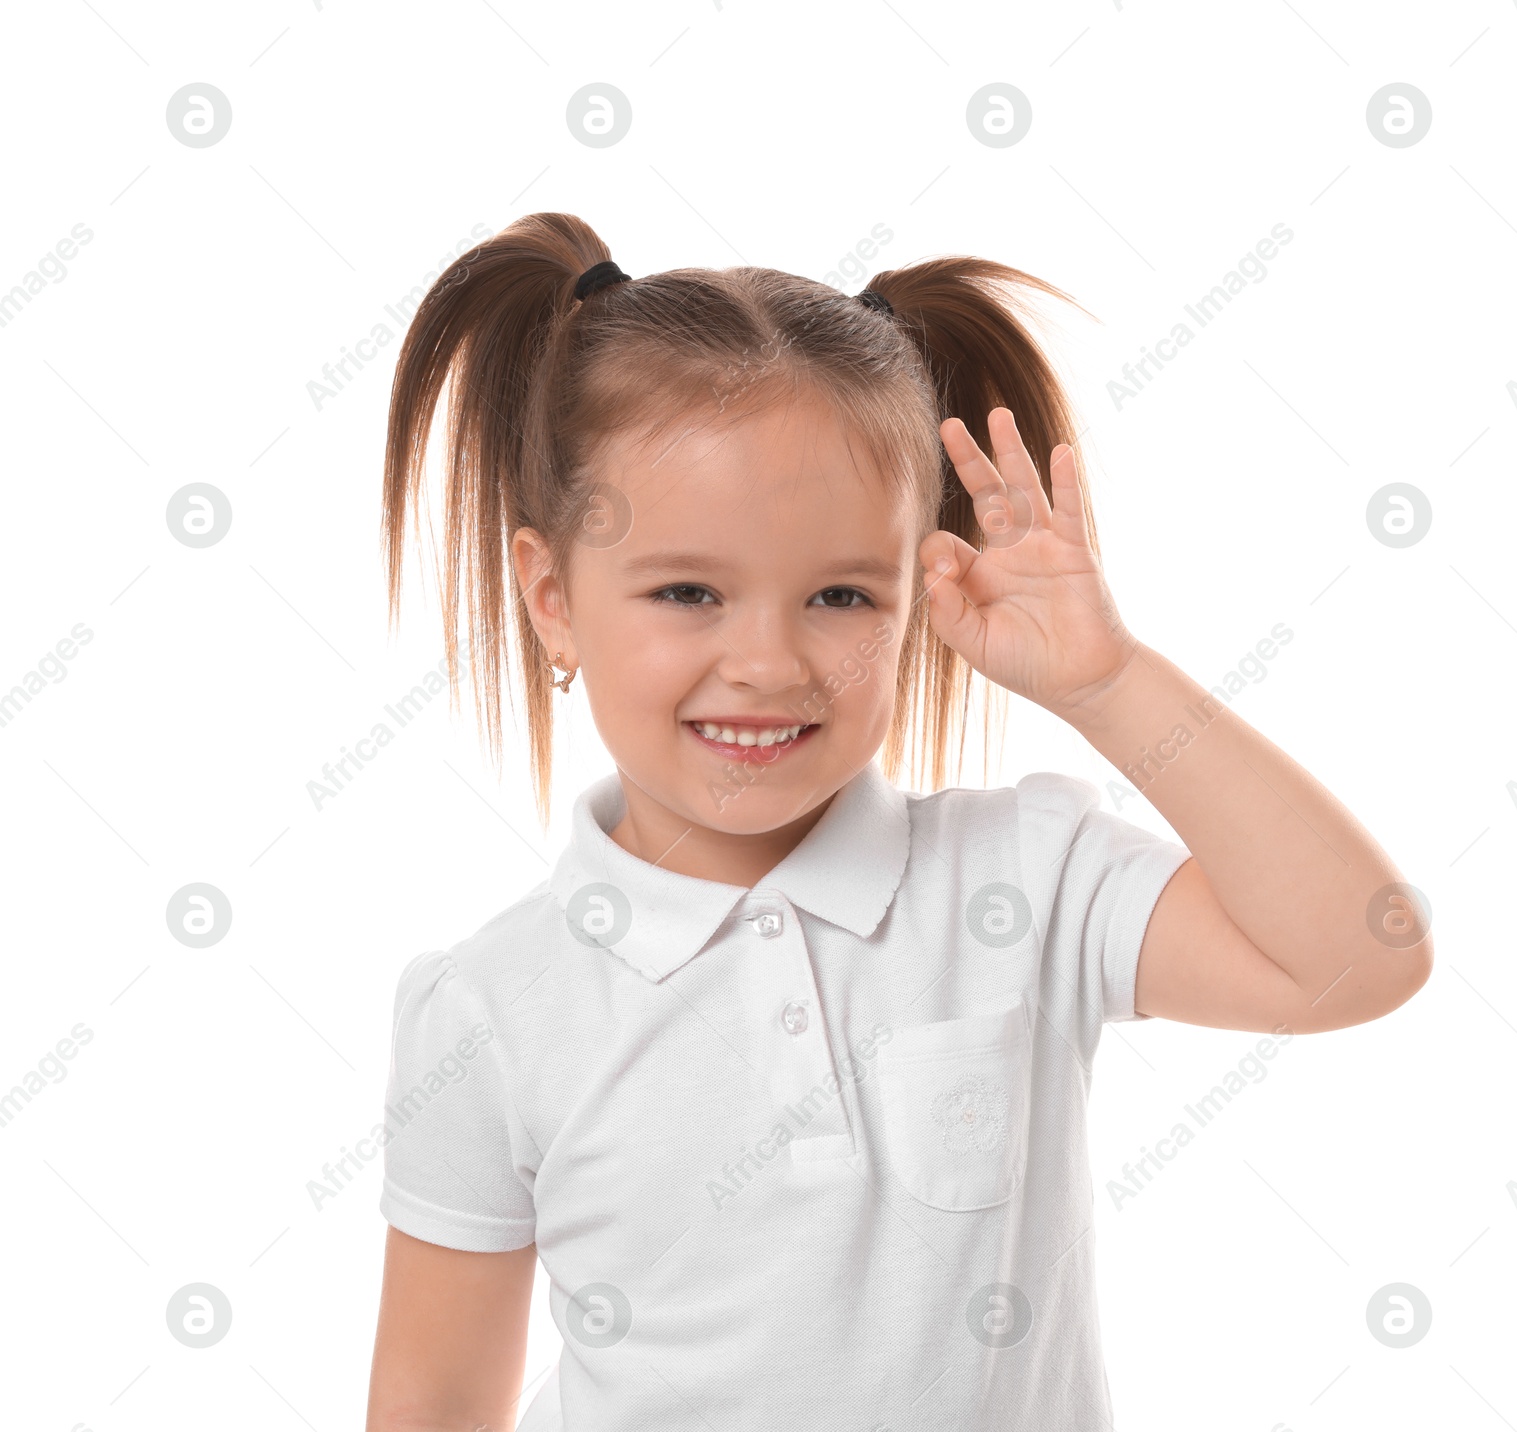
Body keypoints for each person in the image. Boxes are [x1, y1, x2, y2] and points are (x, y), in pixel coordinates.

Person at [364, 212, 1432, 1431]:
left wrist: (1103, 680)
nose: (765, 661)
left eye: (837, 594)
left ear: (918, 595)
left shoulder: (1028, 881)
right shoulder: (491, 1009)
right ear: (554, 599)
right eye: (687, 591)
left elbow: (1363, 953)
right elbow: (433, 1405)